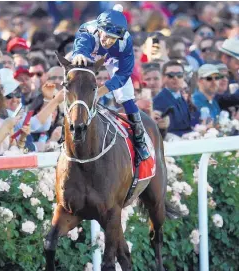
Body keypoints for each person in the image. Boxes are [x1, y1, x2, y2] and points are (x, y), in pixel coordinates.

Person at [71, 4, 149, 160]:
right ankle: (67, 126)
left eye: (113, 39)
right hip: (89, 56)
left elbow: (124, 73)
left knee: (126, 94)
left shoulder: (125, 41)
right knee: (77, 84)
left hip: (112, 60)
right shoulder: (88, 32)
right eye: (106, 36)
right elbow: (80, 48)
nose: (108, 41)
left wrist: (102, 91)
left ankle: (140, 138)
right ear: (99, 29)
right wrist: (78, 55)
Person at [153, 60, 194, 137]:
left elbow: (186, 124)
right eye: (171, 75)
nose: (175, 78)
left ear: (184, 77)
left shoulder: (181, 97)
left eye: (179, 75)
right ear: (163, 77)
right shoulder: (158, 100)